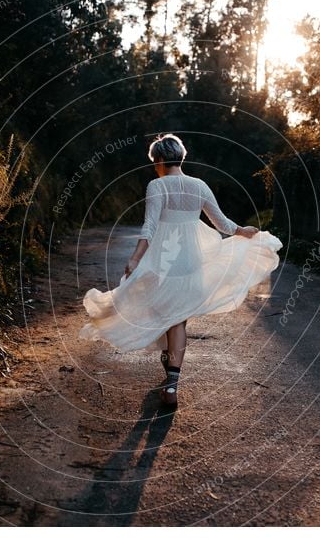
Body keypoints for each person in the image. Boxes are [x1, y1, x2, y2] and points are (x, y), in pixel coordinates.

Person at [79, 134, 282, 406]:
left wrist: (136, 258)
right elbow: (221, 223)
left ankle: (172, 381)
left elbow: (149, 227)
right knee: (177, 317)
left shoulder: (157, 185)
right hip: (191, 261)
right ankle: (171, 374)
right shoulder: (199, 185)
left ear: (161, 160)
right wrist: (242, 231)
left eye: (155, 162)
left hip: (164, 261)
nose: (155, 167)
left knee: (169, 314)